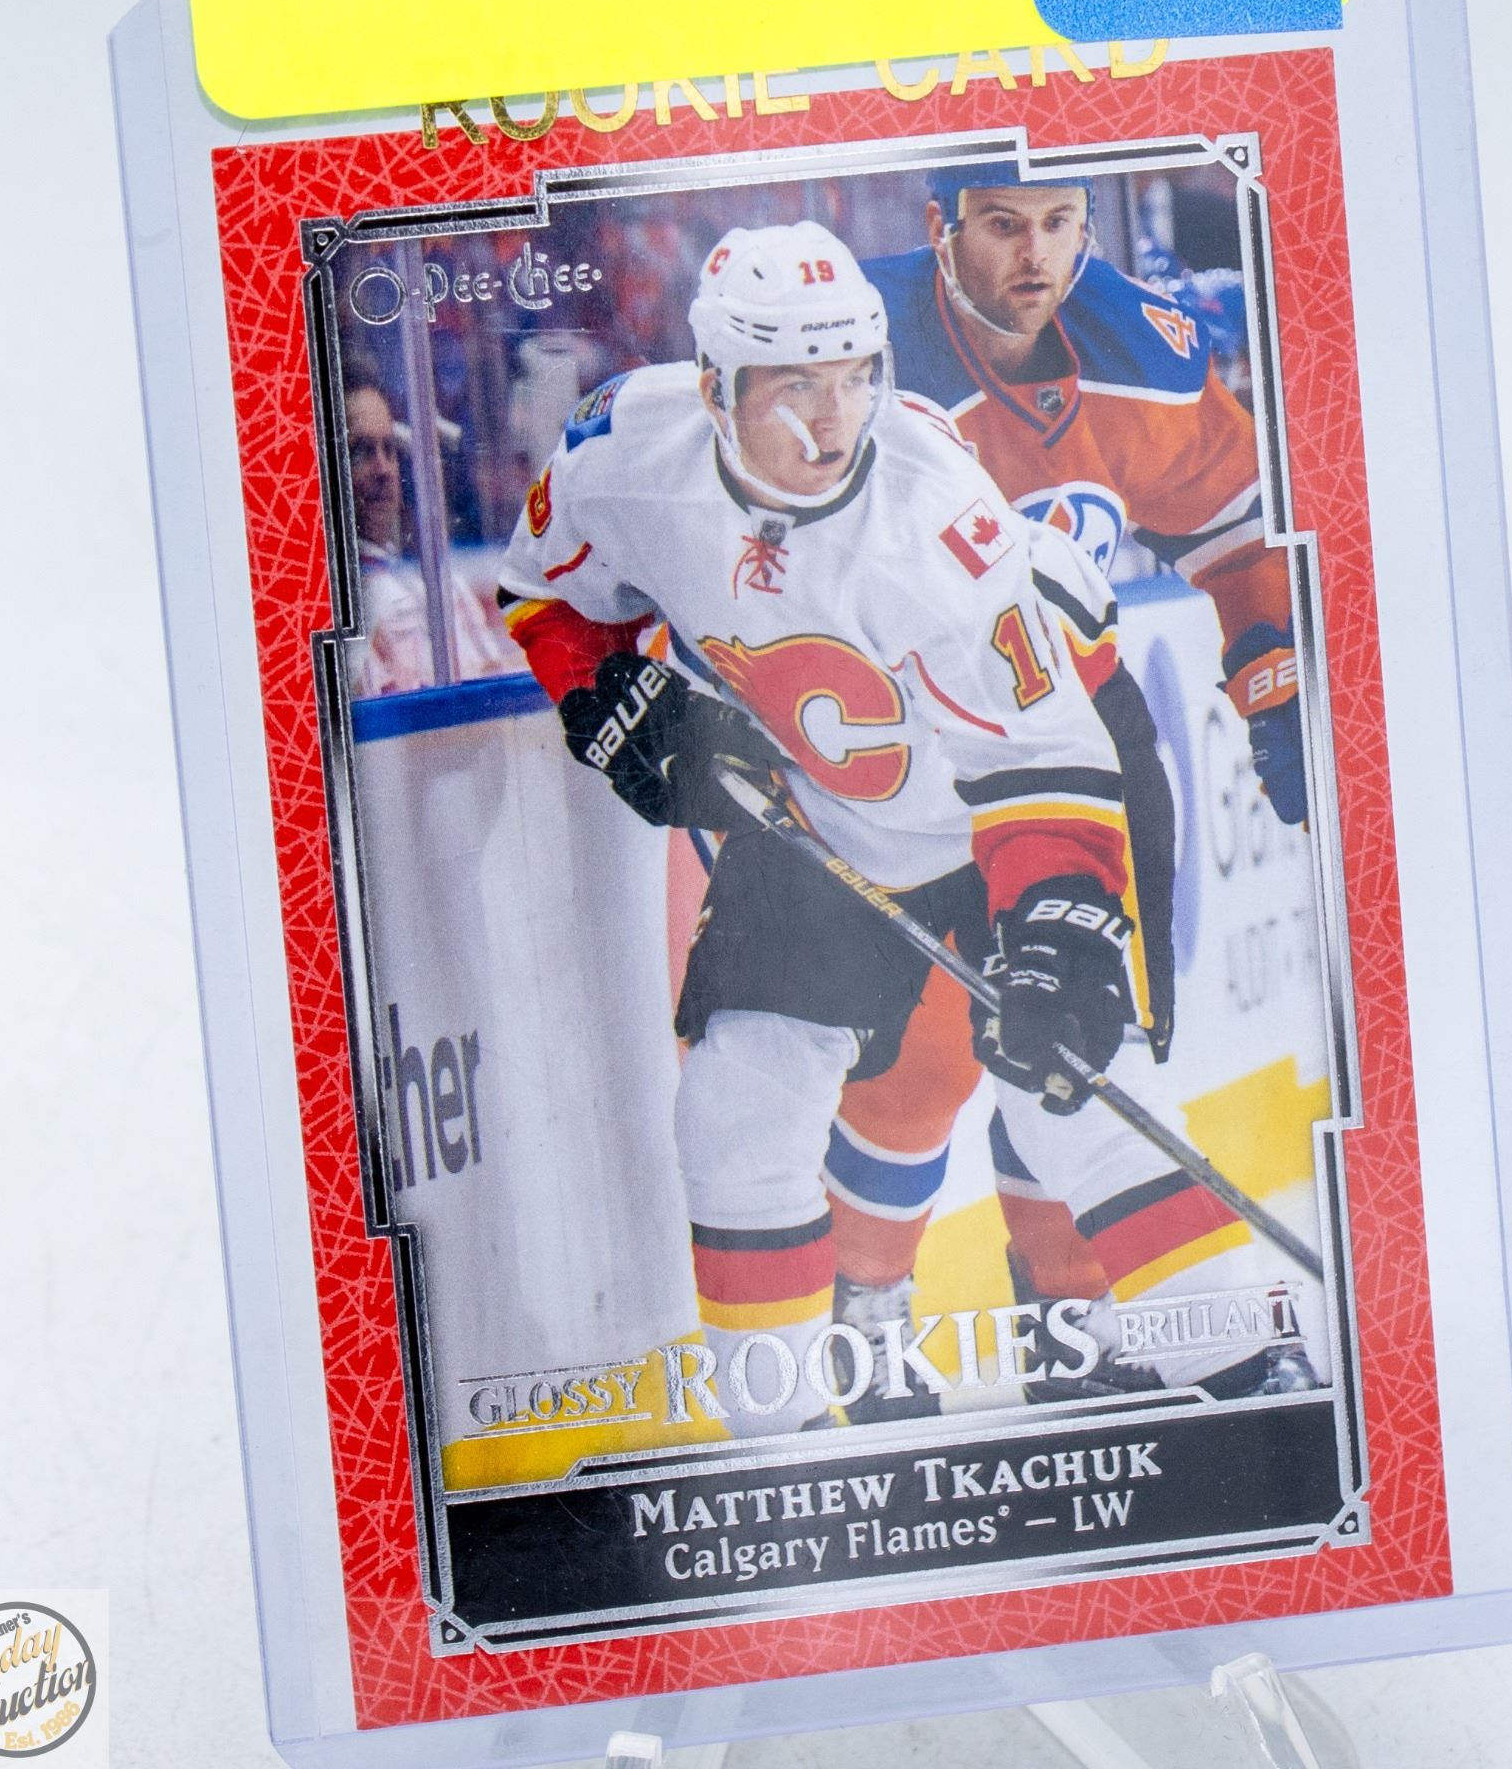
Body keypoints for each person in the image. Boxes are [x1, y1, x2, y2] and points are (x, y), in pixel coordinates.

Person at [497, 221, 1258, 1437]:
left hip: (1019, 781)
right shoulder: (623, 453)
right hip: (828, 812)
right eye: (793, 388)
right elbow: (544, 588)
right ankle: (782, 1437)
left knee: (1067, 1084)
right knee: (736, 1106)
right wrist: (604, 694)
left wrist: (1058, 924)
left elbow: (1037, 750)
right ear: (714, 388)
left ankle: (1242, 1361)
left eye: (854, 377)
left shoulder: (934, 514)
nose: (832, 421)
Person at [815, 168, 1317, 1409]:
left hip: (1073, 746)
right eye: (1001, 226)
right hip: (898, 754)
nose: (1032, 256)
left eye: (1056, 225)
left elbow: (1241, 533)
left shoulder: (1139, 348)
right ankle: (867, 1318)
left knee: (1081, 1027)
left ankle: (1072, 1325)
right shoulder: (851, 341)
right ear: (940, 230)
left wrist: (1277, 691)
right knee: (924, 1058)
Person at [344, 369, 517, 694]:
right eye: (360, 452)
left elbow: (500, 693)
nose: (383, 469)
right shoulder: (347, 610)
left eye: (389, 449)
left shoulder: (445, 588)